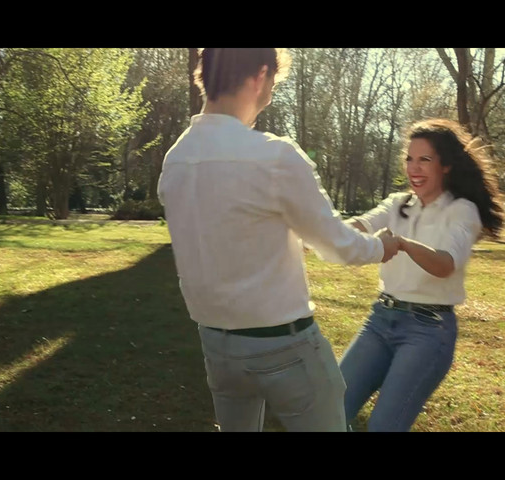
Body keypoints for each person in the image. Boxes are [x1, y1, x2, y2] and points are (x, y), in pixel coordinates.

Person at [157, 48, 400, 432]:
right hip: (285, 347)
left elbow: (229, 234)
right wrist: (382, 246)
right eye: (272, 83)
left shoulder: (176, 158)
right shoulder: (273, 156)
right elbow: (339, 246)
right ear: (260, 76)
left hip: (217, 348)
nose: (271, 93)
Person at [339, 118, 505, 431]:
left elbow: (444, 265)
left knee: (384, 426)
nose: (414, 168)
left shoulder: (461, 210)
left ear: (445, 166)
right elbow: (357, 226)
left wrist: (401, 243)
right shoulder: (397, 204)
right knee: (329, 408)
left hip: (428, 331)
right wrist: (320, 229)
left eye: (425, 160)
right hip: (380, 320)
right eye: (409, 159)